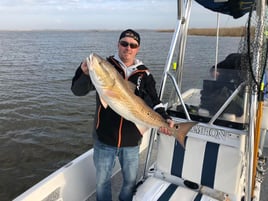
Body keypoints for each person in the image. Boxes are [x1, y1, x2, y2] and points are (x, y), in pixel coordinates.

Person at [71, 29, 174, 201]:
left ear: (137, 49)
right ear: (118, 45)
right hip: (104, 138)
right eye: (124, 43)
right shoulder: (105, 66)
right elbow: (77, 90)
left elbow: (155, 100)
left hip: (131, 140)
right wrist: (83, 72)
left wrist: (165, 118)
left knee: (129, 182)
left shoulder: (144, 74)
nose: (128, 48)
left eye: (132, 45)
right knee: (102, 182)